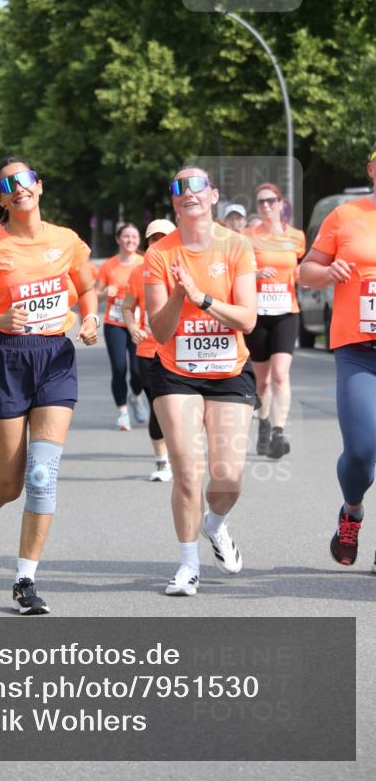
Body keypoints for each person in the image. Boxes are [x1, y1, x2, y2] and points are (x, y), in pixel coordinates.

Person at [0, 156, 99, 614]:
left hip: (54, 358)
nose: (19, 188)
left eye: (25, 179)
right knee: (11, 482)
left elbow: (88, 289)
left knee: (41, 475)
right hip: (5, 360)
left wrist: (91, 317)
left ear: (39, 185)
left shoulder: (66, 240)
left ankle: (25, 581)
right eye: (8, 184)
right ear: (1, 197)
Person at [144, 166, 257, 596]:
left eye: (196, 186)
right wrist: (178, 294)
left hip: (229, 371)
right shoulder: (160, 254)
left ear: (213, 196)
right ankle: (188, 565)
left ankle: (216, 524)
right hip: (175, 372)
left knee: (227, 478)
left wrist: (203, 299)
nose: (187, 192)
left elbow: (247, 318)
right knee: (188, 473)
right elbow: (160, 332)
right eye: (178, 187)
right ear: (174, 201)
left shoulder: (237, 246)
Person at [299, 146, 376, 572]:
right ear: (371, 168)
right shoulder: (345, 216)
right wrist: (327, 272)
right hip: (359, 350)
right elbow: (304, 270)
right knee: (363, 452)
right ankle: (352, 511)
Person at [245, 182, 306, 458]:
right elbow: (238, 273)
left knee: (281, 374)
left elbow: (299, 271)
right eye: (261, 202)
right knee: (262, 382)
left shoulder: (297, 237)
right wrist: (255, 276)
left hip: (286, 311)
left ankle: (279, 433)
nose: (266, 206)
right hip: (257, 314)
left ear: (282, 204)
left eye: (271, 201)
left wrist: (302, 279)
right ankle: (264, 423)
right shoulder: (247, 236)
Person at [122, 219, 175, 482]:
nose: (159, 243)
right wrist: (132, 327)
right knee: (158, 407)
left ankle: (181, 456)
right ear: (148, 243)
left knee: (179, 408)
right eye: (154, 239)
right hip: (148, 351)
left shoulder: (184, 268)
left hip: (180, 350)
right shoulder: (138, 272)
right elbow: (127, 307)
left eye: (164, 238)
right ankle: (162, 461)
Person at [96, 223, 148, 430]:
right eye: (125, 236)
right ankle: (123, 413)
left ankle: (135, 396)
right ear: (118, 239)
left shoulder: (144, 263)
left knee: (138, 372)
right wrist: (103, 293)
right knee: (119, 369)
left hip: (138, 324)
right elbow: (94, 295)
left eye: (134, 237)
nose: (130, 240)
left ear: (139, 240)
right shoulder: (109, 266)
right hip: (115, 323)